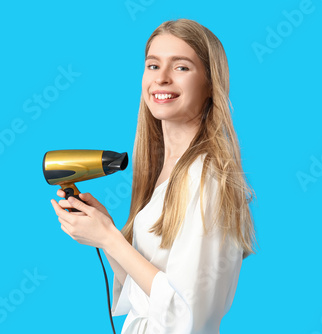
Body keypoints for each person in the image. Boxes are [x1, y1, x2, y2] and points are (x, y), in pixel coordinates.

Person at [51, 18, 256, 333]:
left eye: (181, 67)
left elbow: (188, 317)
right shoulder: (165, 172)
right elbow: (143, 293)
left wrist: (108, 236)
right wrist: (107, 237)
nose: (161, 78)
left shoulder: (207, 179)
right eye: (152, 65)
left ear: (210, 84)